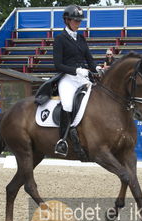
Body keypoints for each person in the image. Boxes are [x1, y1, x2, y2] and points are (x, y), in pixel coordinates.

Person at [53, 5, 101, 156]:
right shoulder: (60, 39)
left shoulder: (81, 38)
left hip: (83, 77)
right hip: (67, 78)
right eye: (75, 20)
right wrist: (76, 70)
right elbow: (58, 64)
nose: (78, 23)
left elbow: (89, 58)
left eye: (79, 21)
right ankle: (62, 141)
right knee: (67, 104)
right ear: (67, 20)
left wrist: (96, 69)